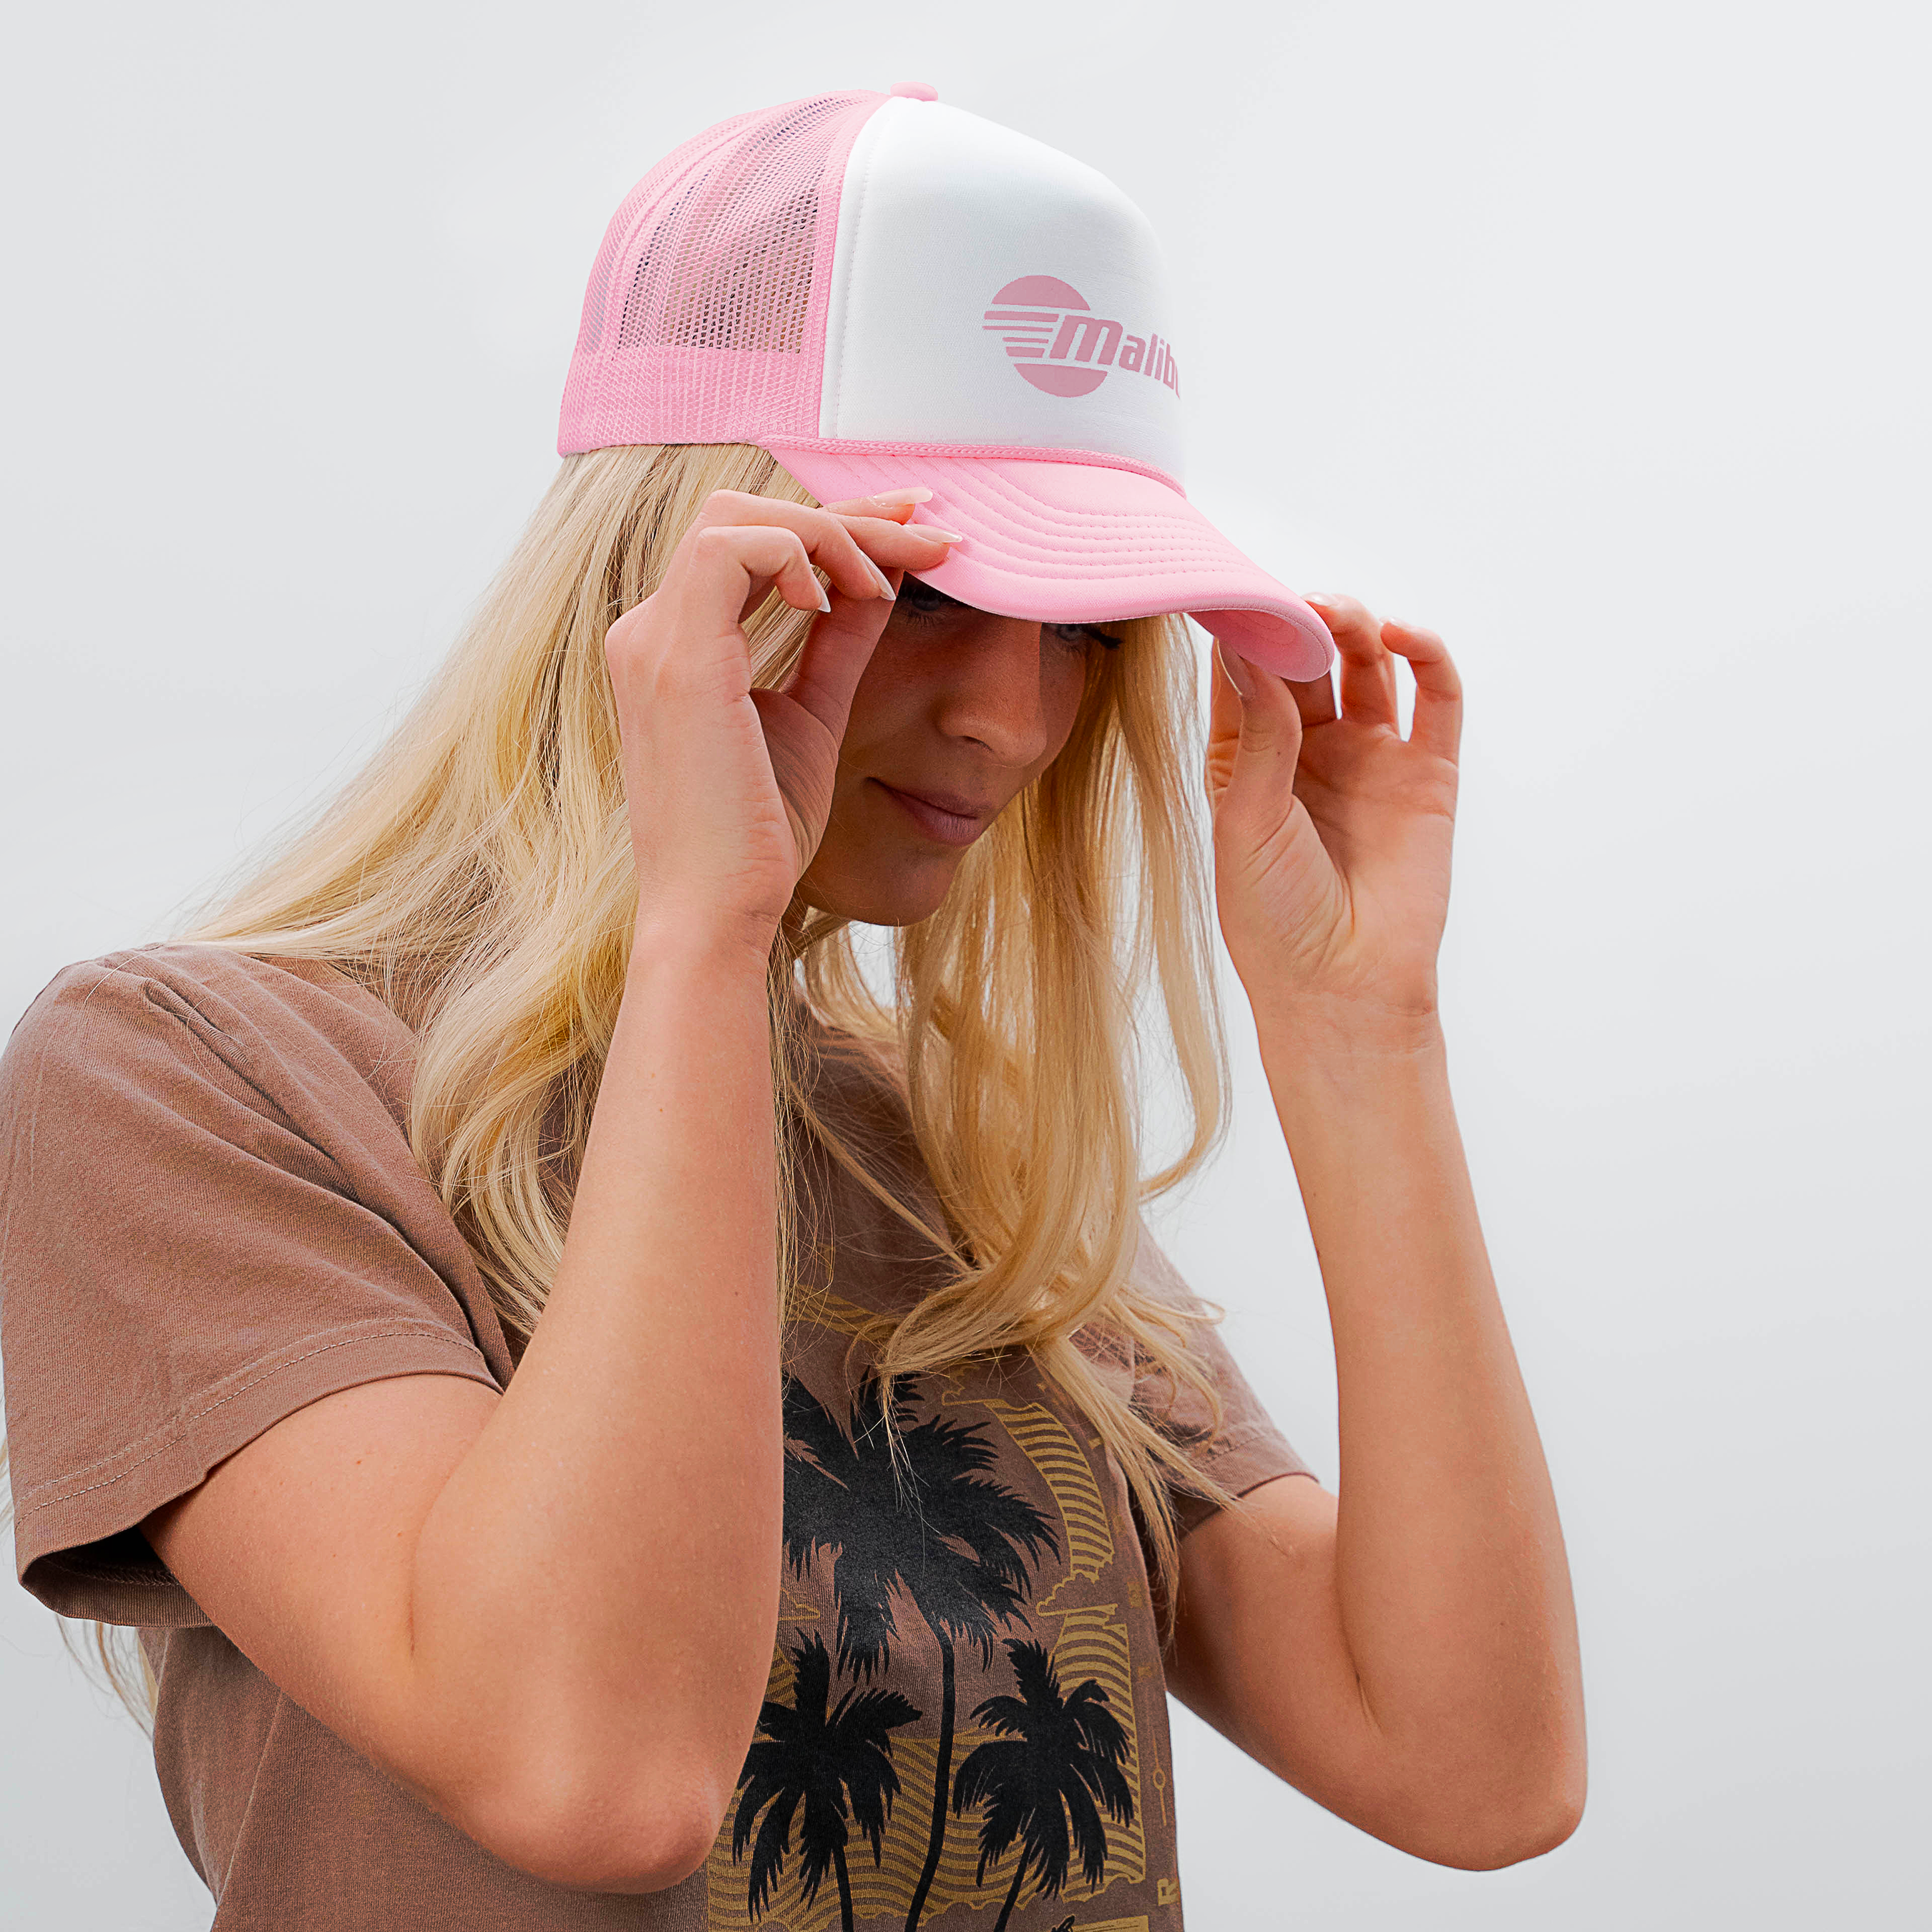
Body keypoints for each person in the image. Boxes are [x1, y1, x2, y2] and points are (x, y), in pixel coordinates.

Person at [0, 83, 1584, 1928]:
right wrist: (695, 933)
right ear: (658, 571)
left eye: (1079, 628)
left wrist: (1359, 1033)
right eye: (915, 590)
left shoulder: (954, 1150)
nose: (1014, 716)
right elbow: (590, 1771)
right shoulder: (198, 1081)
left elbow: (1474, 1770)